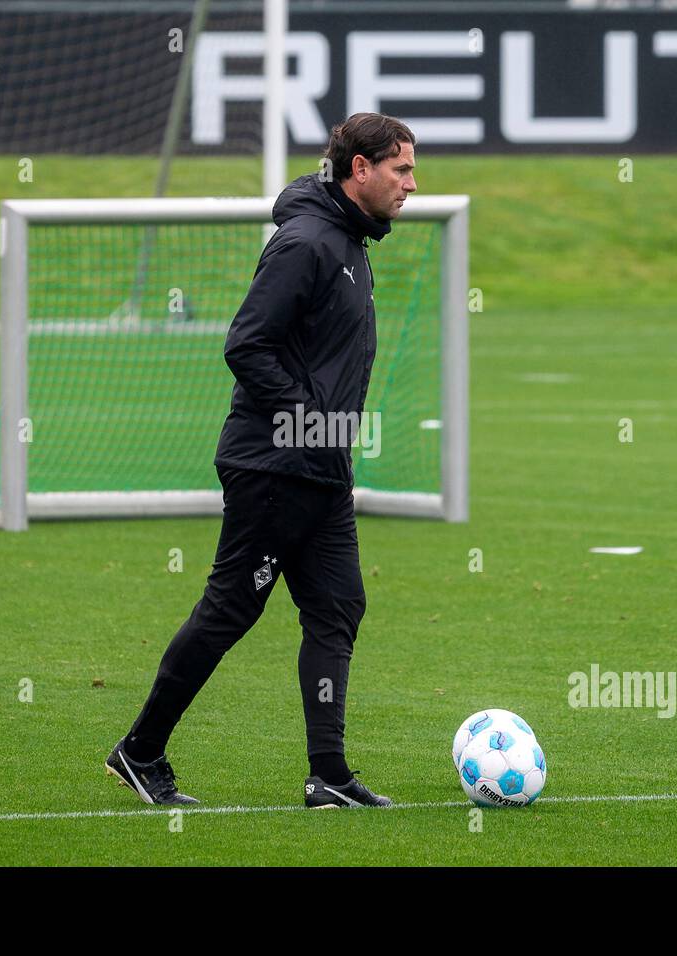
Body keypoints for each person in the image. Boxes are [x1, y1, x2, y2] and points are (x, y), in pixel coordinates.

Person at [105, 112, 418, 808]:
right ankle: (140, 750)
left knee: (337, 606)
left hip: (322, 469)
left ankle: (328, 775)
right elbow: (246, 344)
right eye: (401, 169)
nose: (412, 185)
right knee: (230, 608)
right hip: (274, 464)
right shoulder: (306, 242)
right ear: (359, 170)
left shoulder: (351, 241)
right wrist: (306, 418)